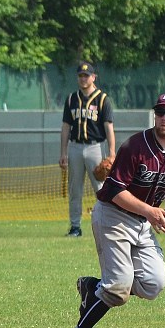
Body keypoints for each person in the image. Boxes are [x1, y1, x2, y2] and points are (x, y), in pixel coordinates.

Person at [62, 91, 165, 328]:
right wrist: (150, 211)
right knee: (119, 289)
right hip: (113, 216)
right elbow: (113, 191)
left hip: (142, 222)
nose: (163, 118)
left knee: (153, 284)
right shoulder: (135, 146)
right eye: (159, 112)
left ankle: (93, 287)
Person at [60, 61, 116, 237]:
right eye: (80, 75)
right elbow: (65, 127)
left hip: (95, 147)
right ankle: (75, 226)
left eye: (86, 75)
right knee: (74, 190)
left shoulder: (102, 99)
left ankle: (108, 223)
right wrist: (63, 152)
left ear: (94, 77)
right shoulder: (71, 99)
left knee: (101, 188)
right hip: (75, 146)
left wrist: (112, 152)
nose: (83, 78)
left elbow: (109, 127)